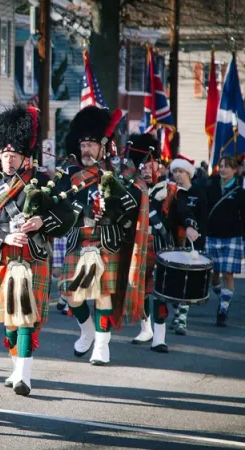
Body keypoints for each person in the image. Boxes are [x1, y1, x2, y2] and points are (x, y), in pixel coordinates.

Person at [0, 105, 76, 396]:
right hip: (4, 257)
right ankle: (17, 363)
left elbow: (68, 215)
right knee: (10, 322)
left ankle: (24, 375)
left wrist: (42, 220)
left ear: (24, 157)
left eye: (13, 156)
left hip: (34, 256)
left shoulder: (43, 182)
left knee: (27, 317)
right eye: (5, 156)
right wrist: (4, 238)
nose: (8, 161)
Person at [56, 106, 149, 366]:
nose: (85, 149)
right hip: (79, 237)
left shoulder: (120, 168)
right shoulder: (70, 171)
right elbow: (60, 204)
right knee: (70, 295)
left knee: (102, 293)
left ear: (103, 145)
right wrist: (78, 209)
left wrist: (115, 197)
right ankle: (86, 329)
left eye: (91, 144)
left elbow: (138, 198)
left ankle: (102, 344)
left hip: (108, 238)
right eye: (82, 144)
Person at [127, 134, 199, 353]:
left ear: (159, 164)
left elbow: (183, 211)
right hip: (137, 246)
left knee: (159, 292)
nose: (146, 169)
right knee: (139, 290)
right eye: (142, 165)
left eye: (150, 164)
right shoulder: (132, 190)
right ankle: (145, 327)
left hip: (162, 247)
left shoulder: (171, 191)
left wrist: (189, 225)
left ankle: (160, 336)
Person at [169, 154, 208, 335]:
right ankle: (177, 314)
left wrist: (200, 239)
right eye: (175, 171)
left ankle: (182, 319)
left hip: (193, 243)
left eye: (181, 171)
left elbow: (203, 218)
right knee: (175, 280)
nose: (178, 175)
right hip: (174, 242)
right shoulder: (171, 193)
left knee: (186, 280)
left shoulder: (198, 193)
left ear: (189, 173)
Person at [204, 155, 245, 327]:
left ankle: (223, 309)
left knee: (227, 274)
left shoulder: (240, 191)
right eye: (221, 166)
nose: (223, 169)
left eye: (227, 166)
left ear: (235, 170)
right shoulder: (210, 186)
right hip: (212, 236)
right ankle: (222, 295)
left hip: (232, 237)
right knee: (213, 275)